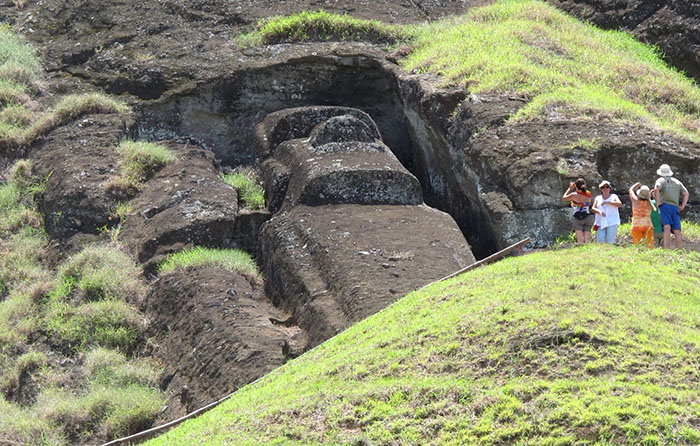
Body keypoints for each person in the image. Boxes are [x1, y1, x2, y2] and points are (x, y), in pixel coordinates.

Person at [654, 164, 689, 249]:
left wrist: (658, 201)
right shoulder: (677, 181)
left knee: (667, 227)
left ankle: (666, 247)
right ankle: (679, 248)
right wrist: (683, 205)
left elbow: (657, 188)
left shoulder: (661, 180)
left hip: (665, 205)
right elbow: (686, 193)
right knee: (677, 229)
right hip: (675, 206)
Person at [562, 178, 594, 244]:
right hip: (587, 216)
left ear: (575, 186)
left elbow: (564, 197)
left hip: (577, 217)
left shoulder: (573, 195)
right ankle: (589, 250)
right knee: (587, 237)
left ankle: (581, 248)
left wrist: (570, 188)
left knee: (580, 239)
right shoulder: (588, 194)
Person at [629, 183, 656, 249]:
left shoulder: (635, 200)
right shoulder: (650, 204)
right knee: (650, 246)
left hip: (636, 226)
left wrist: (636, 185)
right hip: (648, 226)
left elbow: (630, 190)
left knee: (637, 246)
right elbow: (648, 198)